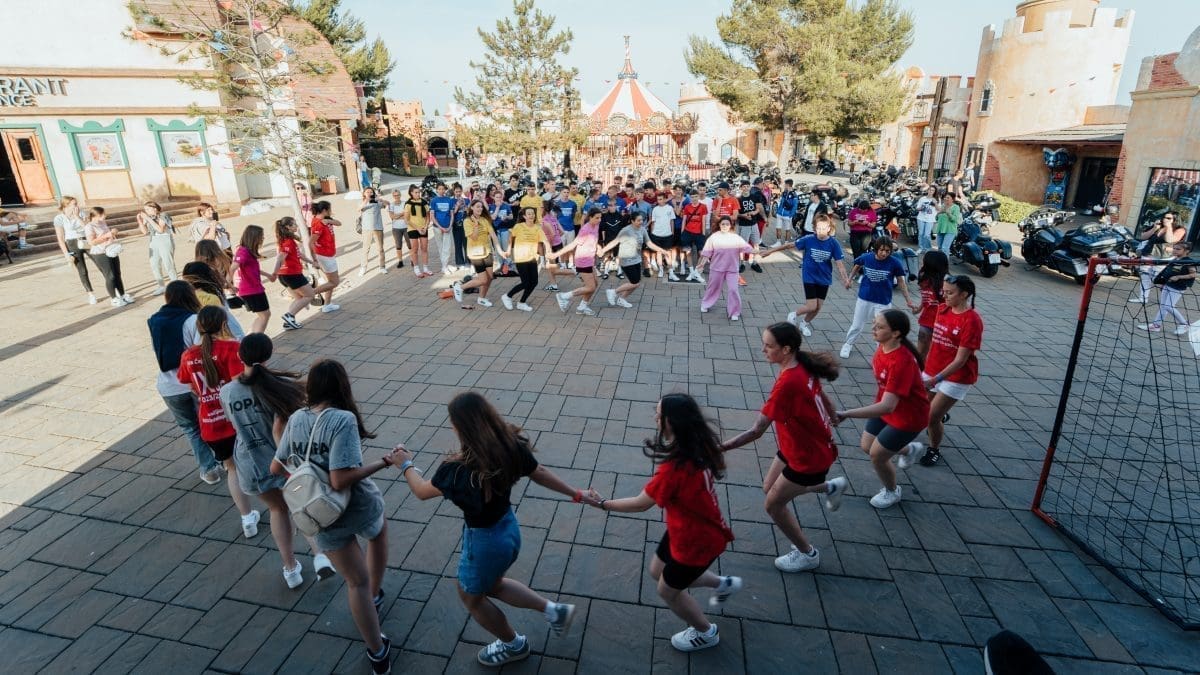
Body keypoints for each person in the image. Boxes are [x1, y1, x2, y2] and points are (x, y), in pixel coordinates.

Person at [390, 391, 587, 667]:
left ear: (459, 427)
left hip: (483, 544)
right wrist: (576, 493)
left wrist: (406, 464)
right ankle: (554, 611)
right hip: (509, 531)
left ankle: (513, 644)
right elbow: (539, 472)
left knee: (471, 597)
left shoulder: (455, 471)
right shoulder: (510, 446)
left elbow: (422, 491)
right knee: (493, 584)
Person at [271, 359, 396, 674]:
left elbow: (276, 467)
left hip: (318, 515)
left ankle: (377, 653)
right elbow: (342, 479)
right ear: (343, 386)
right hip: (354, 504)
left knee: (355, 583)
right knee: (378, 533)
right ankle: (376, 594)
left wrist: (305, 472)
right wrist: (384, 462)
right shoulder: (343, 420)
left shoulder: (296, 417)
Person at [587, 393, 739, 653]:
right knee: (657, 570)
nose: (655, 418)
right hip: (686, 529)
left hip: (696, 543)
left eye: (659, 415)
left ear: (672, 423)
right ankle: (723, 584)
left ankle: (706, 632)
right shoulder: (697, 446)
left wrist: (603, 504)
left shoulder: (674, 469)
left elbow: (641, 503)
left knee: (667, 592)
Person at [720, 322, 847, 572]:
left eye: (768, 346)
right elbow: (820, 393)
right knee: (769, 487)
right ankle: (831, 486)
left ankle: (807, 554)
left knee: (773, 505)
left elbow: (756, 431)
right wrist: (832, 414)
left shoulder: (788, 382)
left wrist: (718, 448)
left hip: (808, 457)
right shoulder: (801, 363)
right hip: (796, 444)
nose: (763, 350)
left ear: (786, 349)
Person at [220, 333, 335, 587]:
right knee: (300, 506)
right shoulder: (281, 388)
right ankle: (320, 556)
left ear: (240, 357)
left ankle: (290, 568)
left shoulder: (228, 391)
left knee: (277, 509)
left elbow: (231, 423)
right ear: (269, 356)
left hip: (249, 463)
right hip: (282, 460)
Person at [834, 310, 930, 509]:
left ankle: (892, 491)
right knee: (867, 446)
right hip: (887, 408)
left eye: (879, 326)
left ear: (895, 333)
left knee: (877, 455)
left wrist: (846, 413)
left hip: (909, 417)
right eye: (874, 324)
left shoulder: (901, 360)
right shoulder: (883, 348)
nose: (873, 329)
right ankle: (909, 449)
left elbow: (888, 405)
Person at [177, 306, 260, 534]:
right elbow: (238, 383)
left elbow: (188, 385)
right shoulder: (231, 348)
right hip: (236, 420)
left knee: (231, 468)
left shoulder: (188, 355)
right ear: (224, 324)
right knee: (257, 460)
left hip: (211, 424)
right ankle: (277, 505)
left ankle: (247, 519)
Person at [149, 281, 221, 485]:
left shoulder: (155, 320)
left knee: (190, 428)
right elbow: (202, 352)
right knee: (210, 421)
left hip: (168, 385)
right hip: (194, 383)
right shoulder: (192, 319)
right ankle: (224, 459)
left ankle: (208, 469)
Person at [921, 274, 984, 467]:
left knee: (931, 418)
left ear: (964, 294)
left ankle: (934, 449)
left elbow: (961, 360)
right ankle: (942, 413)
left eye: (950, 292)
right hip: (932, 369)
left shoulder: (972, 321)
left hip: (956, 376)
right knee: (925, 412)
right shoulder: (942, 309)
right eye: (944, 291)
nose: (945, 295)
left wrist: (936, 379)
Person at [761, 214, 849, 336]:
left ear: (829, 228)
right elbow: (788, 245)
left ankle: (804, 323)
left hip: (824, 278)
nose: (821, 231)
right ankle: (793, 314)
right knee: (812, 305)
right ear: (814, 228)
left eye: (824, 228)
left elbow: (840, 264)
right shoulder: (808, 239)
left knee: (818, 307)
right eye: (818, 228)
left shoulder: (834, 244)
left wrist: (846, 279)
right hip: (810, 276)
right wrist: (769, 252)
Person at [839, 237, 913, 360]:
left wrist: (908, 300)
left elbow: (901, 281)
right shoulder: (867, 257)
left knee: (882, 329)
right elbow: (857, 264)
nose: (884, 253)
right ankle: (848, 344)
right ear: (876, 249)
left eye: (888, 251)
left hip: (883, 302)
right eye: (882, 250)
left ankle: (881, 352)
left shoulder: (894, 263)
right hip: (865, 298)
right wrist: (849, 279)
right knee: (857, 325)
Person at [600, 212, 669, 310]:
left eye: (642, 220)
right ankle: (613, 292)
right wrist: (603, 250)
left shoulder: (643, 230)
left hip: (636, 259)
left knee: (636, 283)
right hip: (626, 259)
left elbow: (649, 243)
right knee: (635, 283)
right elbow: (615, 242)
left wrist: (662, 250)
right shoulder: (626, 230)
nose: (641, 222)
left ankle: (621, 299)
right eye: (638, 220)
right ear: (632, 221)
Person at [698, 215, 754, 321]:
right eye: (723, 224)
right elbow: (707, 252)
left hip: (732, 269)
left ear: (730, 226)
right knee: (713, 288)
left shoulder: (735, 238)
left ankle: (734, 312)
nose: (724, 226)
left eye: (727, 224)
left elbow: (747, 248)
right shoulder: (713, 237)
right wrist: (702, 263)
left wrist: (760, 252)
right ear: (719, 225)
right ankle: (706, 304)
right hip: (716, 268)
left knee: (733, 289)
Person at [549, 208, 602, 315]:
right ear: (590, 217)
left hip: (590, 259)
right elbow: (573, 245)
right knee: (590, 286)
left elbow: (594, 241)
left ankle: (582, 307)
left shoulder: (596, 225)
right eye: (597, 218)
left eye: (600, 217)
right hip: (583, 260)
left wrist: (599, 247)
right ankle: (564, 296)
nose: (599, 220)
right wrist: (556, 254)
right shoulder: (585, 230)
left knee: (595, 284)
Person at [452, 201, 504, 309]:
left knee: (489, 277)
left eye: (481, 207)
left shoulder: (484, 220)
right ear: (472, 208)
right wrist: (475, 224)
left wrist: (500, 251)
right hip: (475, 254)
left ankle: (481, 298)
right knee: (483, 280)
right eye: (477, 207)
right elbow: (474, 237)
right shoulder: (467, 221)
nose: (480, 209)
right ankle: (460, 287)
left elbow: (494, 236)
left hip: (487, 252)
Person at [1137, 242, 1195, 335]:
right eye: (1174, 248)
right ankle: (1156, 325)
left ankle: (1184, 324)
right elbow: (1168, 272)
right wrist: (1163, 282)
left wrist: (1179, 277)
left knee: (1168, 306)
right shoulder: (1175, 259)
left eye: (1178, 249)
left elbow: (1193, 274)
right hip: (1168, 285)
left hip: (1178, 287)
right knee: (1163, 306)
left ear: (1186, 251)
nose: (1175, 250)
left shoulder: (1188, 261)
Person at [501, 207, 552, 312]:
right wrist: (508, 250)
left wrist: (548, 251)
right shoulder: (518, 226)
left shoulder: (537, 228)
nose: (531, 215)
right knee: (525, 282)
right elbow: (511, 238)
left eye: (533, 213)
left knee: (534, 282)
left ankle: (522, 302)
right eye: (528, 214)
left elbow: (544, 241)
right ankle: (507, 296)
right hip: (520, 257)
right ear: (524, 216)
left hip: (532, 257)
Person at [1133, 211, 1188, 303]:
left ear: (1175, 219)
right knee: (1145, 277)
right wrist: (1154, 228)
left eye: (1169, 218)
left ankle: (1167, 300)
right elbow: (1143, 237)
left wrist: (1168, 227)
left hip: (1164, 257)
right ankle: (1143, 298)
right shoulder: (1158, 225)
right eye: (1164, 217)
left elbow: (1170, 239)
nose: (1165, 219)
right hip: (1148, 254)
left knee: (1162, 279)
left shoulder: (1180, 229)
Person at [84, 207, 134, 307]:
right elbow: (91, 242)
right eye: (102, 215)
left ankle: (122, 295)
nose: (104, 216)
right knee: (110, 276)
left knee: (117, 273)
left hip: (111, 250)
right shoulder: (89, 226)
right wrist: (107, 235)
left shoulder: (103, 223)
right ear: (95, 216)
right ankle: (114, 298)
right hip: (100, 253)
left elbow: (108, 235)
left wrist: (113, 233)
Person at [272, 217, 316, 330]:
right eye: (294, 224)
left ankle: (288, 322)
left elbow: (299, 255)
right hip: (291, 274)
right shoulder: (287, 242)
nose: (296, 226)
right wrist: (274, 273)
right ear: (288, 227)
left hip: (286, 275)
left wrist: (312, 262)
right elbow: (281, 257)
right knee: (310, 295)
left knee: (299, 298)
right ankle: (289, 316)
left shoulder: (288, 240)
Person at [229, 225, 273, 334]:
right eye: (261, 236)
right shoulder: (243, 251)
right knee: (264, 315)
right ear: (253, 237)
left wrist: (268, 275)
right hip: (251, 290)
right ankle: (256, 339)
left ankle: (251, 337)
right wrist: (229, 286)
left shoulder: (249, 251)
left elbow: (253, 269)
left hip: (255, 288)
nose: (263, 238)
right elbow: (232, 268)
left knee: (264, 315)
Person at [52, 196, 97, 305]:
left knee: (100, 262)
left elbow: (87, 228)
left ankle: (114, 290)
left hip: (85, 240)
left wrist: (77, 216)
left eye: (76, 203)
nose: (77, 206)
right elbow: (61, 238)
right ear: (66, 206)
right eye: (74, 204)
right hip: (72, 243)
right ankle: (90, 294)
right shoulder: (59, 218)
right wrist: (66, 254)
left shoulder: (81, 213)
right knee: (82, 270)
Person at [910, 250, 949, 359]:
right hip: (926, 320)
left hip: (942, 322)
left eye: (925, 262)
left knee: (936, 353)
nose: (923, 264)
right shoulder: (924, 278)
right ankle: (918, 373)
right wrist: (919, 309)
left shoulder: (947, 282)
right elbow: (926, 298)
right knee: (920, 351)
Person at [308, 201, 342, 313]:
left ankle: (327, 304)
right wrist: (314, 260)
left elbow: (339, 223)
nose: (331, 211)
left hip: (329, 254)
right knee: (334, 282)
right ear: (324, 210)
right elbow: (311, 242)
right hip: (325, 256)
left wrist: (328, 220)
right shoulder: (318, 224)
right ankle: (309, 294)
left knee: (330, 281)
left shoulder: (325, 219)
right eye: (329, 209)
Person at [137, 201, 177, 295]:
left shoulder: (164, 215)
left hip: (165, 240)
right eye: (145, 209)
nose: (146, 211)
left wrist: (147, 218)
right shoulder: (149, 218)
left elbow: (160, 229)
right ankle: (161, 286)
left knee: (168, 263)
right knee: (154, 264)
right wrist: (140, 221)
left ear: (154, 208)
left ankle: (176, 284)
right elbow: (144, 232)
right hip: (153, 241)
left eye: (147, 209)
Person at [735, 182, 765, 273]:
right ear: (741, 188)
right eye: (744, 186)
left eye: (748, 186)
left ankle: (754, 263)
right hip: (744, 226)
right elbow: (736, 214)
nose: (746, 188)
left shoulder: (754, 196)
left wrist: (754, 212)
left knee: (756, 244)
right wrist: (743, 215)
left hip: (754, 224)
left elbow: (758, 208)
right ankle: (742, 263)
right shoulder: (738, 199)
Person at [649, 192, 680, 280]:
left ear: (665, 199)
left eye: (661, 199)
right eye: (658, 199)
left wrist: (672, 232)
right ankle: (661, 269)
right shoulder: (655, 209)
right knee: (658, 252)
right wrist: (652, 233)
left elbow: (672, 221)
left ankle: (671, 272)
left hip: (667, 234)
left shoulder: (669, 208)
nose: (659, 201)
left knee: (667, 253)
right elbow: (653, 222)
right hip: (656, 234)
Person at [403, 185, 432, 277]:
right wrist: (417, 228)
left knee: (424, 248)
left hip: (423, 228)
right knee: (414, 249)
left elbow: (428, 216)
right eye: (416, 192)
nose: (418, 194)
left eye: (419, 192)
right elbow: (406, 219)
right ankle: (416, 269)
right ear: (411, 193)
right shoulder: (408, 204)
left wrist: (426, 226)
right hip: (413, 229)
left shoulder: (424, 202)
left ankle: (425, 268)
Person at [359, 187, 387, 276]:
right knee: (365, 249)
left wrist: (380, 199)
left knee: (380, 249)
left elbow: (387, 204)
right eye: (367, 192)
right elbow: (358, 209)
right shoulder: (363, 202)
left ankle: (382, 267)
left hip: (378, 228)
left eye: (371, 192)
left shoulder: (377, 202)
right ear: (364, 193)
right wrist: (366, 199)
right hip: (367, 229)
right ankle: (363, 267)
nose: (369, 193)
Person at [430, 183, 457, 275]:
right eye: (439, 189)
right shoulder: (434, 200)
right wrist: (440, 227)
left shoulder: (449, 200)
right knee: (441, 247)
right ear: (437, 190)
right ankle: (444, 266)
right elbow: (432, 216)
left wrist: (449, 226)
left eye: (443, 189)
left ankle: (444, 266)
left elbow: (452, 215)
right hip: (437, 227)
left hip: (448, 227)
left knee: (448, 247)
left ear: (445, 190)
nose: (441, 191)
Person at [386, 189, 407, 270]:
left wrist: (397, 216)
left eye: (398, 195)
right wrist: (402, 214)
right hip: (396, 228)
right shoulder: (391, 205)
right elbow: (392, 217)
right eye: (395, 195)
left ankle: (413, 260)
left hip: (406, 227)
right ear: (393, 196)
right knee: (398, 246)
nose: (396, 196)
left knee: (410, 245)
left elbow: (407, 216)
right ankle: (400, 261)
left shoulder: (405, 203)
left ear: (400, 195)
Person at [774, 179, 799, 244]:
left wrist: (790, 215)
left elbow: (795, 206)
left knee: (787, 229)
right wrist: (778, 212)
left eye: (785, 184)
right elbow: (781, 202)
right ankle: (778, 242)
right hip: (780, 214)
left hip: (787, 215)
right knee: (778, 228)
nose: (784, 186)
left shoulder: (794, 195)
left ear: (788, 185)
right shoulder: (784, 193)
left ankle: (786, 242)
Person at [915, 186, 938, 253]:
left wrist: (935, 203)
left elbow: (939, 209)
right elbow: (917, 208)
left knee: (927, 235)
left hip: (930, 219)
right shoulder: (922, 198)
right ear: (927, 190)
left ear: (934, 192)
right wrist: (922, 208)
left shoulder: (936, 199)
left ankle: (927, 248)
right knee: (921, 234)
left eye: (933, 190)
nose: (931, 191)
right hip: (921, 218)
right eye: (930, 190)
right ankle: (921, 248)